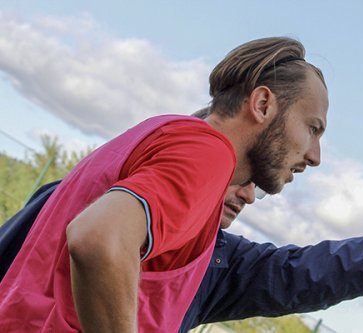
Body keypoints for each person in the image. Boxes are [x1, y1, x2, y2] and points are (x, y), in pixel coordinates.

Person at [0, 37, 329, 332]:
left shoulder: (162, 130)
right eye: (312, 128)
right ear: (262, 105)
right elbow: (99, 239)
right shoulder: (208, 152)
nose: (314, 156)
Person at [1, 180, 363, 333]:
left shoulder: (218, 264)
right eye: (238, 176)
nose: (250, 195)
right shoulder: (72, 200)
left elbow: (301, 274)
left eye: (257, 184)